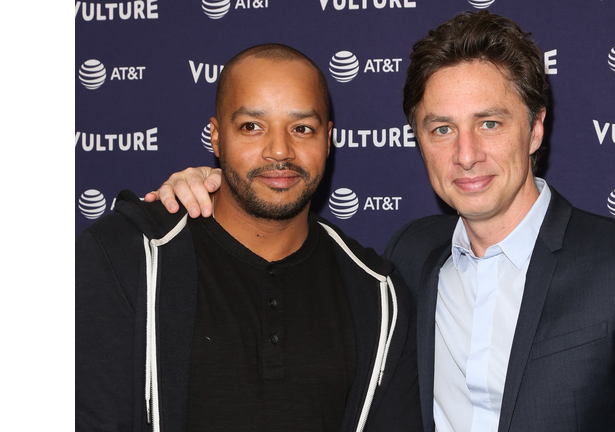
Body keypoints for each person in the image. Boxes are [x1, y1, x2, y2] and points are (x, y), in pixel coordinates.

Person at [147, 11, 615, 432]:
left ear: (535, 130)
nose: (466, 154)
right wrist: (216, 184)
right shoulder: (407, 258)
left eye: (489, 123)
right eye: (441, 129)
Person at [76, 43, 422, 432]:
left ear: (327, 140)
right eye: (252, 127)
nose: (279, 151)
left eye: (302, 129)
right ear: (216, 137)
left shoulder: (377, 294)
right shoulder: (124, 256)